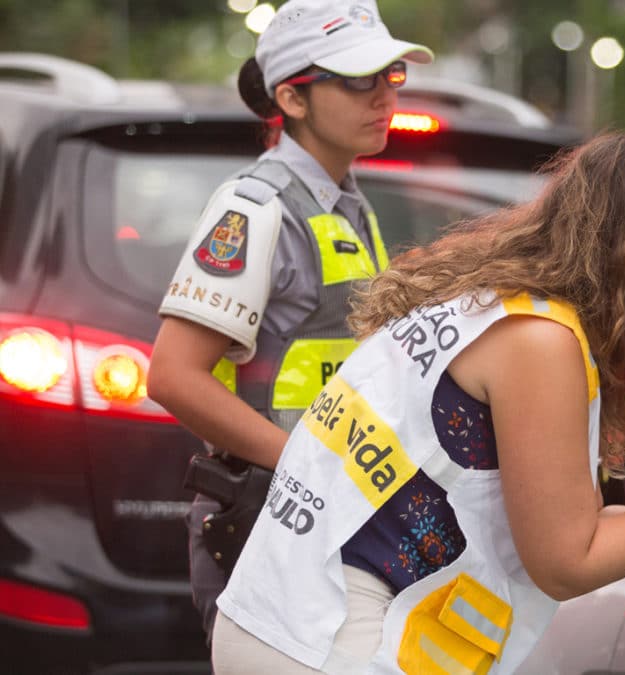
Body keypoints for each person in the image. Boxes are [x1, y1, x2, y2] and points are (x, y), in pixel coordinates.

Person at [211, 132, 625, 674]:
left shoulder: (503, 308)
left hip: (290, 620)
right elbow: (565, 562)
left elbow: (566, 528)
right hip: (333, 644)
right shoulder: (541, 343)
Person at [146, 0, 433, 643]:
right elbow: (171, 376)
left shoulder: (350, 205)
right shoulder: (255, 208)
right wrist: (310, 468)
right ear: (292, 99)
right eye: (359, 80)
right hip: (269, 522)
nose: (384, 95)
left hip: (327, 517)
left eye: (392, 75)